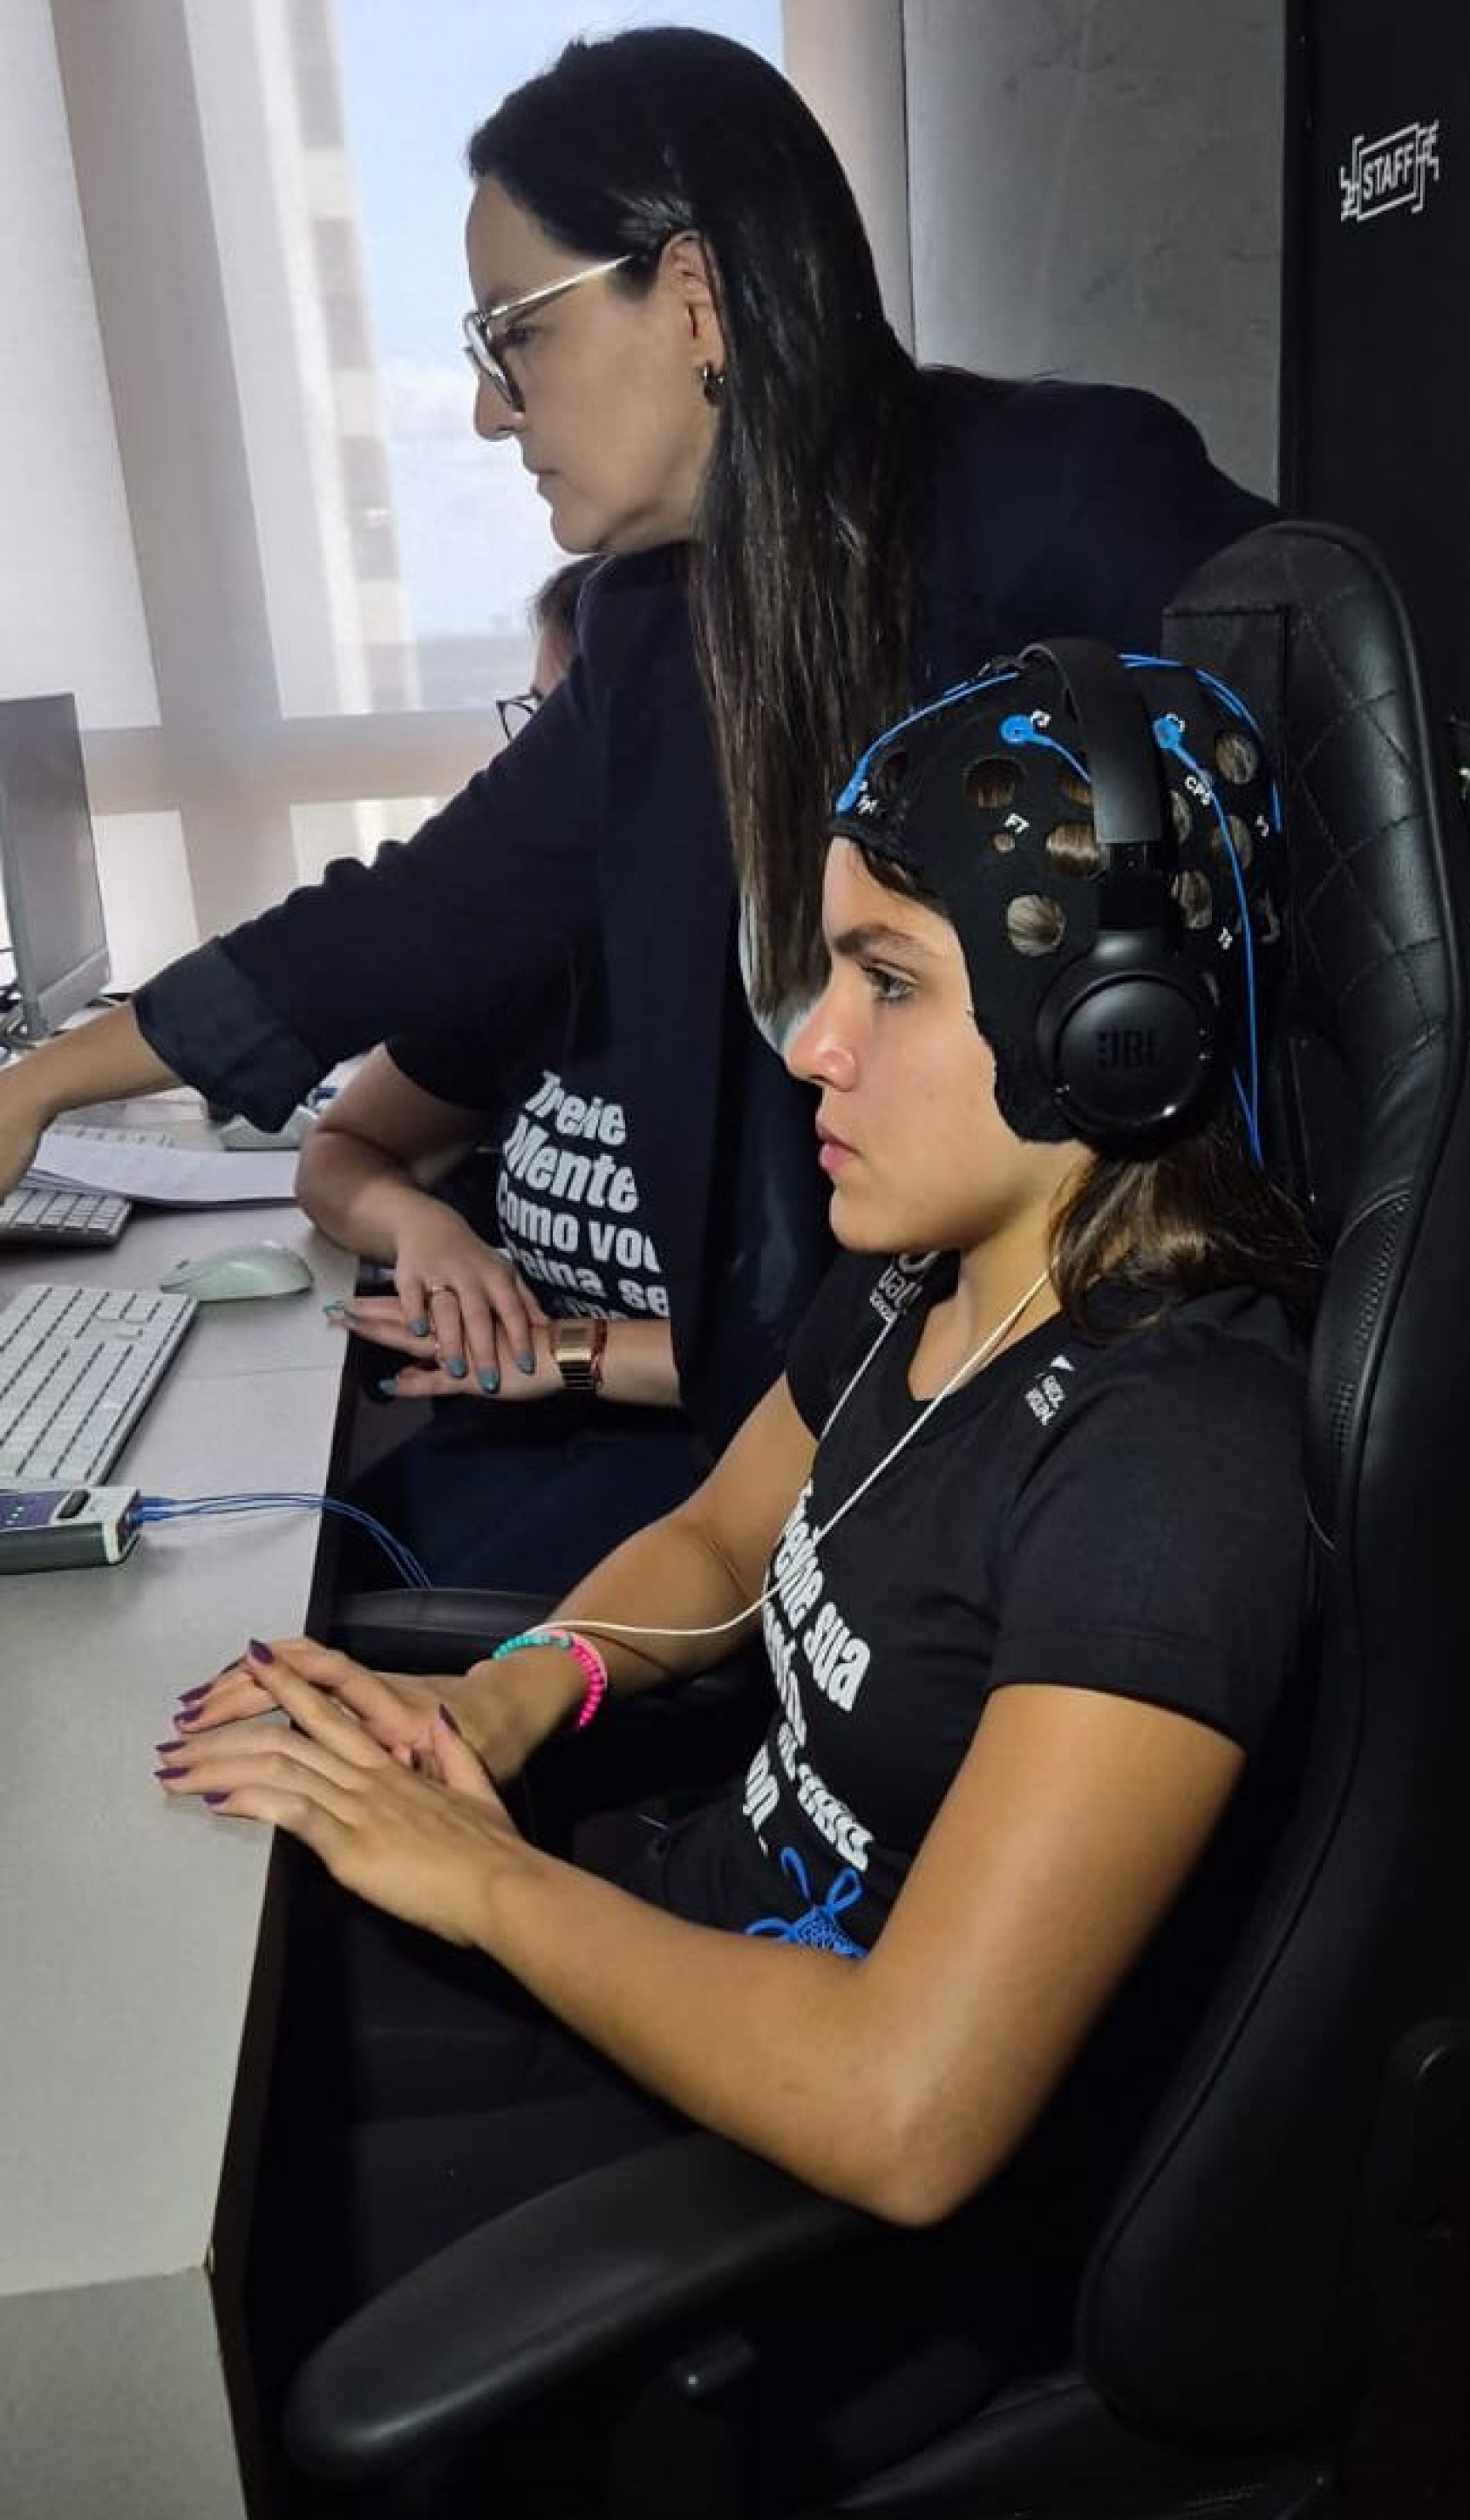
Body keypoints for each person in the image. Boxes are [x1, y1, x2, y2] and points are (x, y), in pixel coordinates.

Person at [157, 651, 1315, 2496]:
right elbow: (717, 1534)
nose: (811, 1046)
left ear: (1114, 1030)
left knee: (208, 2301)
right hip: (665, 1940)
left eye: (888, 981)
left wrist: (480, 1878)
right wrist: (509, 1692)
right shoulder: (916, 1272)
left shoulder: (1174, 1468)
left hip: (816, 2211)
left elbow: (908, 2108)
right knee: (194, 2041)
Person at [0, 28, 1273, 1457]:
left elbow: (1344, 914)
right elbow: (412, 919)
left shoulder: (1073, 500)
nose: (488, 410)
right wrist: (40, 1086)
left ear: (691, 299)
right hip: (837, 1428)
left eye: (512, 335)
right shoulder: (652, 635)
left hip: (1128, 1396)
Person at [301, 558, 694, 1592]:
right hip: (517, 1441)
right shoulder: (545, 947)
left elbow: (845, 1358)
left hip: (707, 1474)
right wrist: (424, 1227)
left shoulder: (803, 990)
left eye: (555, 723)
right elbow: (342, 1148)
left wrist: (566, 1349)